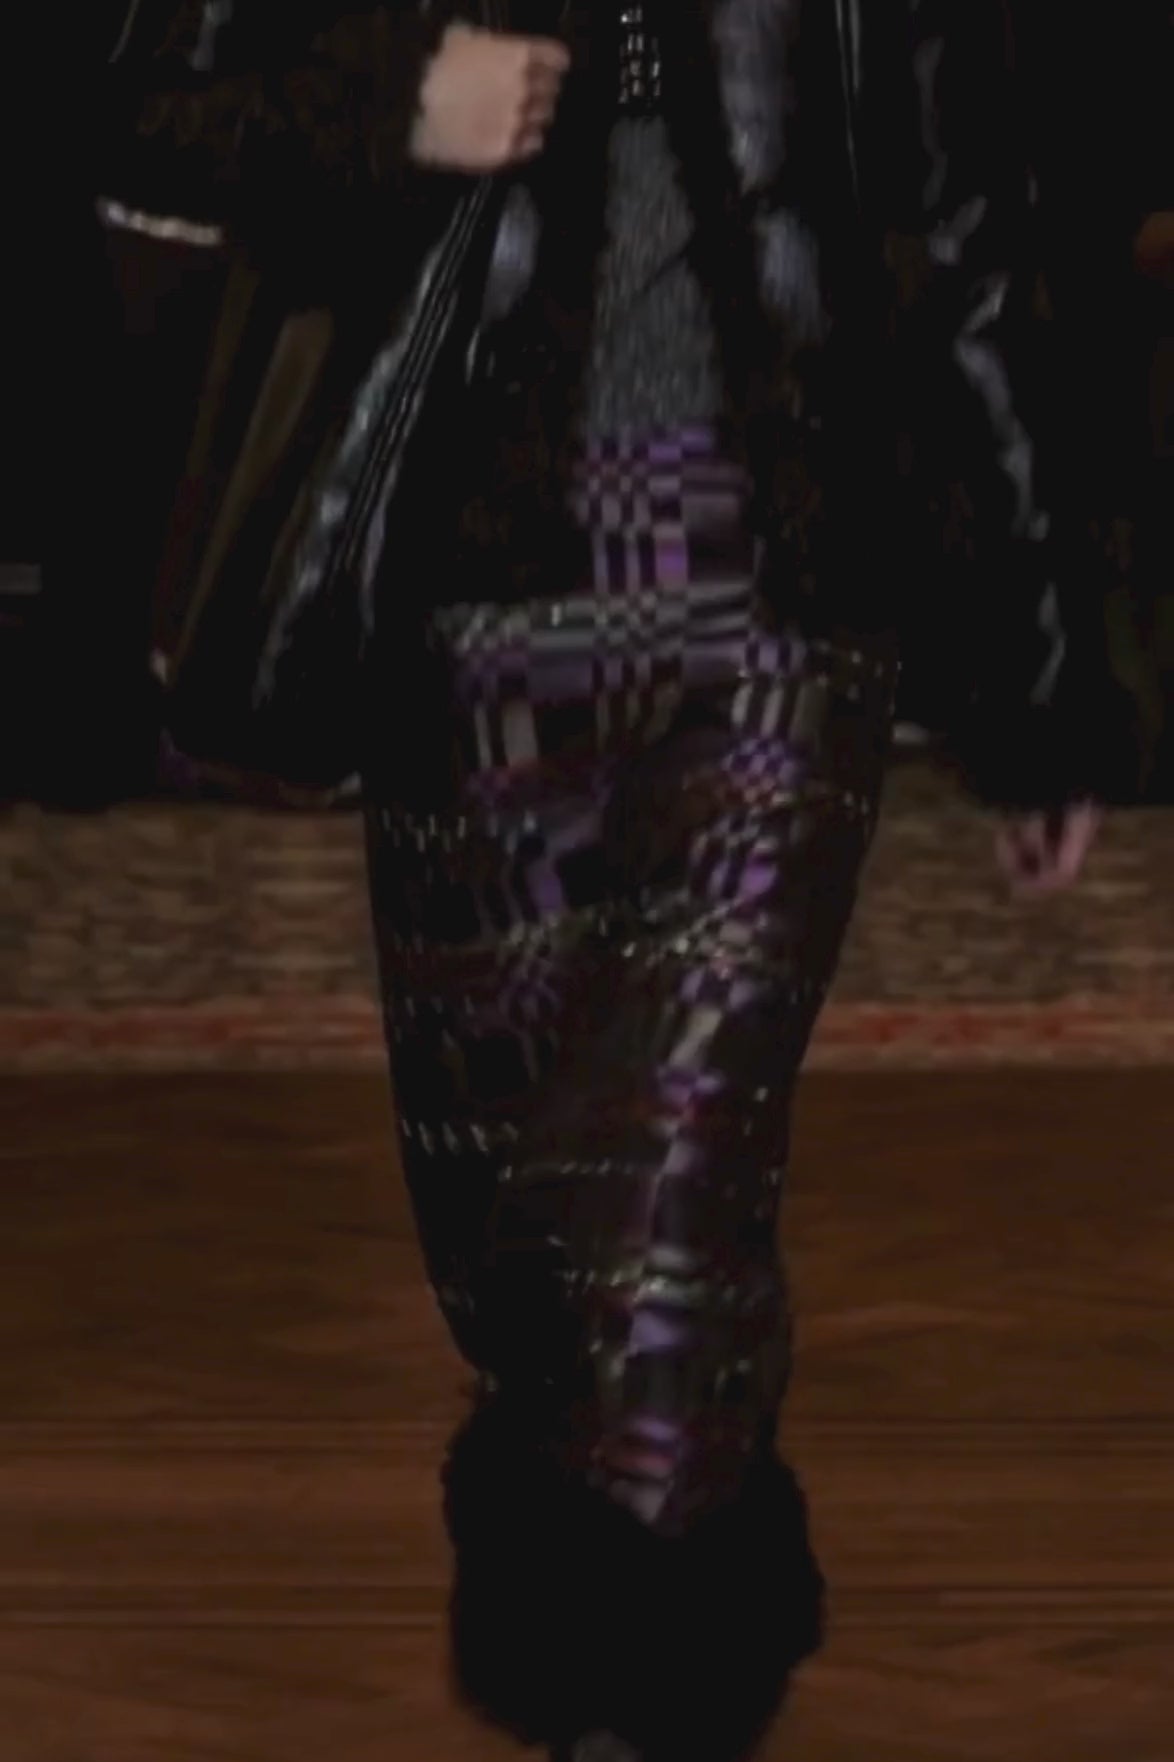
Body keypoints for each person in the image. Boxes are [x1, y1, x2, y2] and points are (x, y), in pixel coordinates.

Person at [100, 3, 1113, 1757]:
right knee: (541, 1290)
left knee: (647, 1246)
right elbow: (146, 114)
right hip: (472, 629)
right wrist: (394, 102)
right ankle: (630, 1677)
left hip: (778, 624)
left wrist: (1032, 681)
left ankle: (640, 1722)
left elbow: (960, 247)